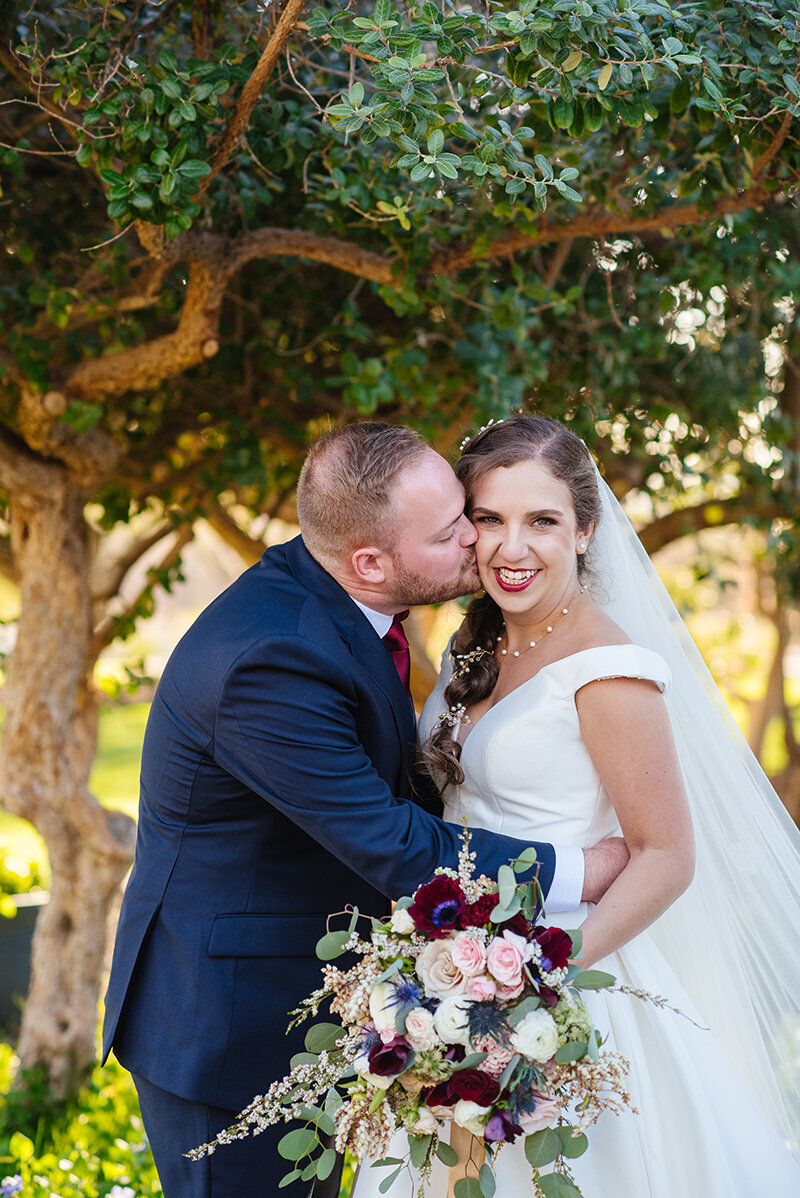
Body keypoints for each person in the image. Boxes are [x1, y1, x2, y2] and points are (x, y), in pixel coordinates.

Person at [101, 422, 629, 1198]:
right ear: (372, 561)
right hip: (231, 1025)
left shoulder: (348, 602)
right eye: (457, 530)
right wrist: (578, 866)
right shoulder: (271, 660)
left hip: (328, 997)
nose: (477, 543)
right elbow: (389, 839)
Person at [352, 413, 800, 1197]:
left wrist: (544, 978)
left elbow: (666, 855)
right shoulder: (476, 644)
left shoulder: (611, 669)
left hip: (563, 977)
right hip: (445, 975)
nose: (511, 548)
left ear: (586, 530)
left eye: (543, 521)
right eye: (488, 518)